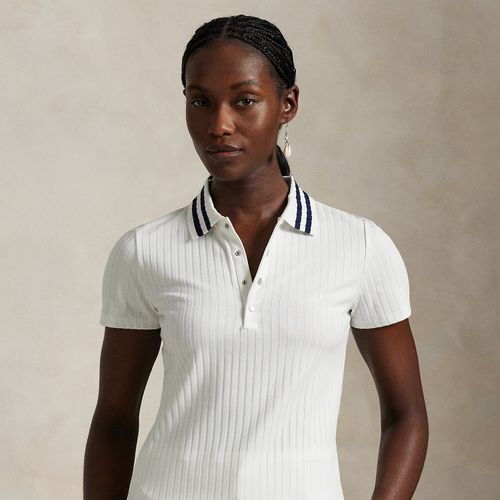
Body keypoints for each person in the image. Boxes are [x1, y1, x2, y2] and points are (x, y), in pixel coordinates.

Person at [84, 14, 428, 500]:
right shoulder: (144, 251)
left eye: (244, 100)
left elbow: (406, 415)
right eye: (200, 101)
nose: (219, 124)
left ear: (287, 104)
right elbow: (114, 422)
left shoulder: (360, 247)